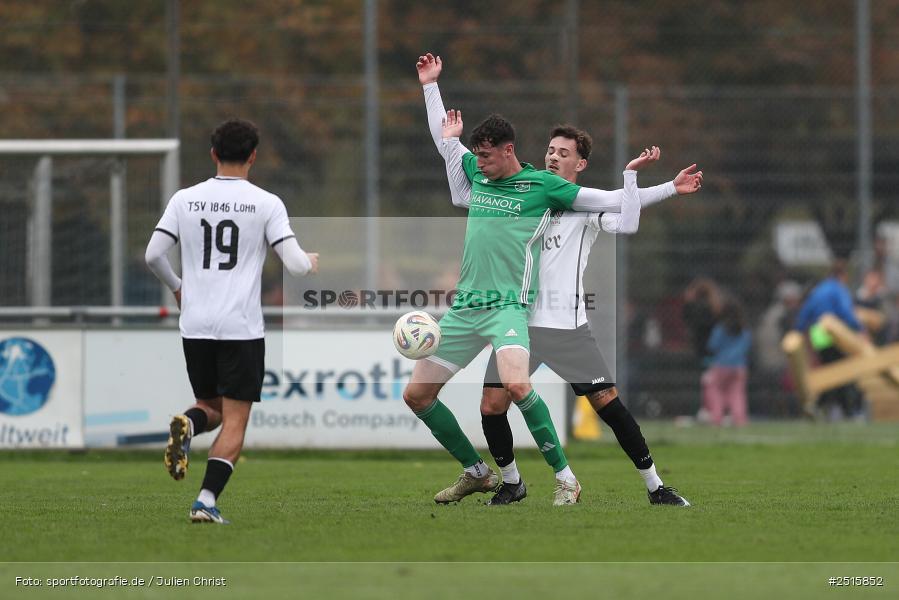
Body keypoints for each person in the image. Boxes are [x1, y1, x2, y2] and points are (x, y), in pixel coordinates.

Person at [419, 55, 699, 506]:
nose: (553, 155)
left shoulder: (581, 207)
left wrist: (666, 186)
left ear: (580, 165)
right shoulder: (525, 193)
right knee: (492, 407)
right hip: (519, 320)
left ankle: (656, 486)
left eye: (564, 153)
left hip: (565, 327)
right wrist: (432, 89)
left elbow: (622, 208)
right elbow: (453, 153)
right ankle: (512, 482)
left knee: (608, 403)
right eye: (550, 149)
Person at [145, 118, 319, 524]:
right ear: (253, 156)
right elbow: (293, 266)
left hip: (196, 323)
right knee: (236, 419)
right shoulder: (265, 202)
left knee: (211, 407)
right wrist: (309, 264)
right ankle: (206, 500)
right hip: (239, 327)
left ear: (213, 154)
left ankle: (188, 423)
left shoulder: (184, 199)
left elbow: (154, 254)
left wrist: (177, 287)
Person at [794, 259, 865, 420]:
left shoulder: (818, 290)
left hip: (817, 334)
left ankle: (820, 407)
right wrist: (860, 329)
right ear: (842, 275)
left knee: (830, 369)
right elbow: (846, 311)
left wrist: (798, 331)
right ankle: (849, 411)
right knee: (841, 372)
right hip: (835, 333)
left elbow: (805, 312)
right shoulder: (838, 289)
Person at [702, 299, 751, 426]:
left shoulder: (720, 329)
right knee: (737, 394)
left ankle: (717, 417)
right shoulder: (744, 330)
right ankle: (739, 419)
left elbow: (712, 346)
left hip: (722, 365)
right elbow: (747, 346)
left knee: (714, 389)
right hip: (739, 367)